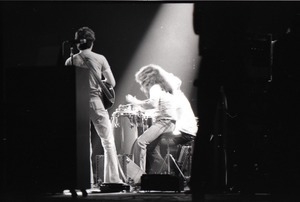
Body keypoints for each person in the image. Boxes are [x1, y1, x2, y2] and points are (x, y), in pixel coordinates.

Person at [65, 26, 122, 188]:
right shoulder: (100, 58)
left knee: (83, 144)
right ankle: (112, 180)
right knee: (107, 140)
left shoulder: (70, 60)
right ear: (92, 43)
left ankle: (85, 181)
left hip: (78, 103)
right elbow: (112, 82)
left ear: (77, 43)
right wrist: (99, 82)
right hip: (95, 101)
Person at [125, 64, 178, 173]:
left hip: (165, 122)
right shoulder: (163, 87)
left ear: (147, 79)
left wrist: (135, 102)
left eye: (142, 82)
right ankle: (165, 173)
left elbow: (152, 104)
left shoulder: (155, 87)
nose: (142, 85)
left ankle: (139, 175)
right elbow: (159, 106)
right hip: (169, 121)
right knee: (151, 148)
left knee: (140, 142)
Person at [145, 68, 198, 175]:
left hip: (183, 133)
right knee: (154, 142)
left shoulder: (174, 96)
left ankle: (165, 172)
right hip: (187, 132)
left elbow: (169, 114)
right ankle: (165, 171)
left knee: (151, 145)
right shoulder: (179, 95)